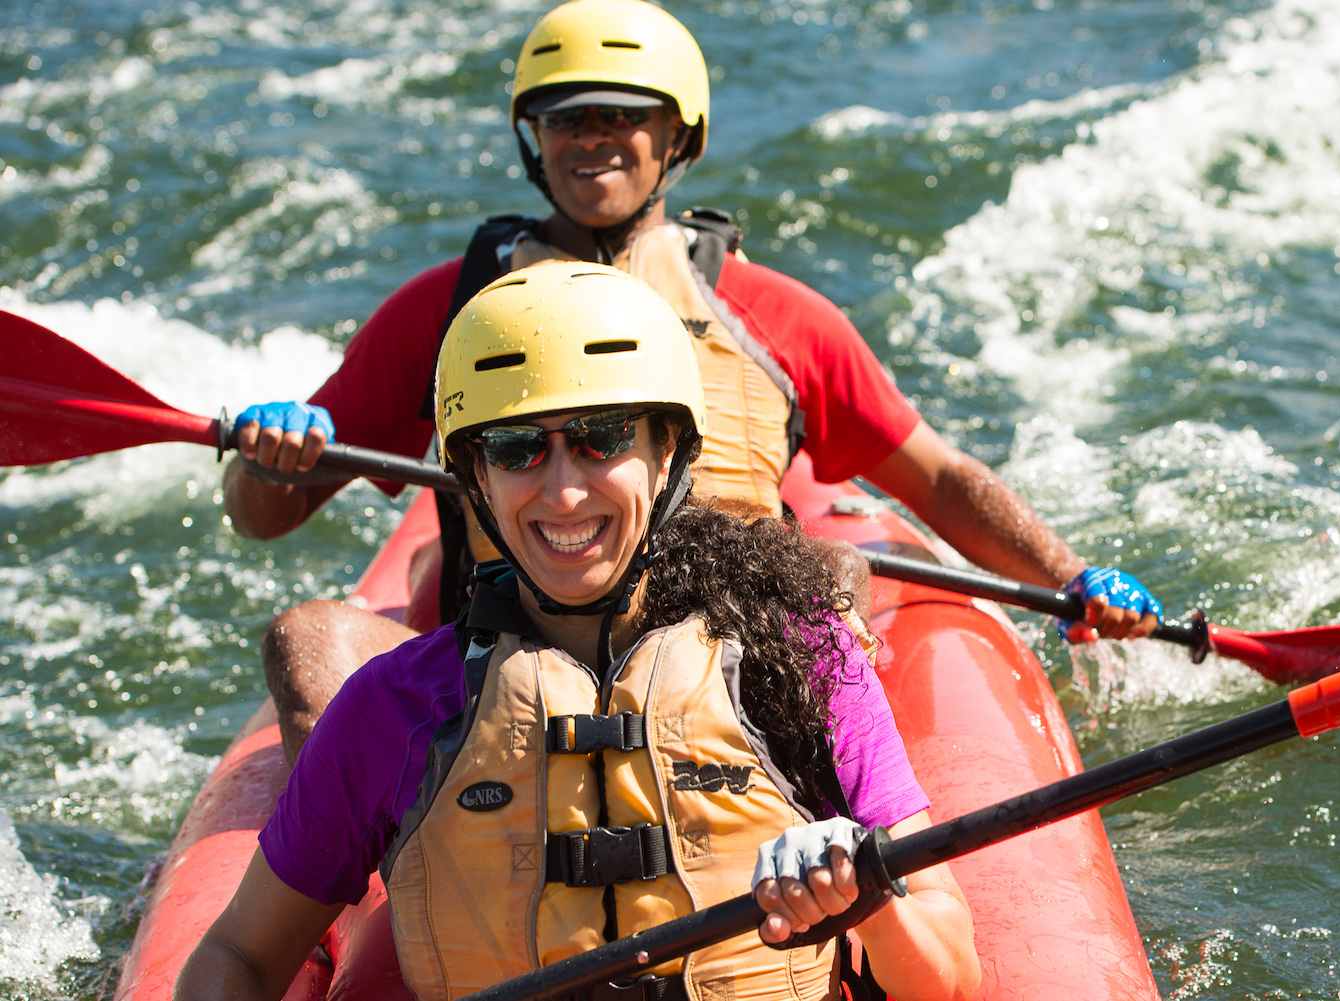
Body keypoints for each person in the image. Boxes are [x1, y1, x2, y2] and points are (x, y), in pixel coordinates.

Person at [225, 0, 1162, 764]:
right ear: (532, 139)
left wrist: (1073, 576)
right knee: (307, 637)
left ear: (681, 137)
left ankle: (825, 830)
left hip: (718, 653)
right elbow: (262, 515)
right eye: (566, 117)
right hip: (496, 656)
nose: (594, 139)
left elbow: (935, 475)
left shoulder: (778, 317)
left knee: (834, 571)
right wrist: (272, 458)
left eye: (624, 115)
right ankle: (384, 910)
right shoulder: (449, 310)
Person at [177, 264, 980, 1001]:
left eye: (603, 438)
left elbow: (950, 979)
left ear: (668, 452)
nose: (563, 492)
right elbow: (237, 957)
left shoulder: (796, 655)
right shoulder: (395, 707)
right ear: (475, 480)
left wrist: (869, 899)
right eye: (518, 448)